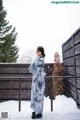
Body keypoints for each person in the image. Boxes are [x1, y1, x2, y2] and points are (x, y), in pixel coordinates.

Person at [29, 46, 46, 119]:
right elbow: (33, 67)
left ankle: (39, 112)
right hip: (36, 79)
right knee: (35, 95)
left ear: (40, 51)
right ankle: (36, 111)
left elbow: (36, 66)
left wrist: (38, 56)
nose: (36, 51)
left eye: (37, 50)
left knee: (39, 96)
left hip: (39, 80)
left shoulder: (41, 59)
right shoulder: (38, 58)